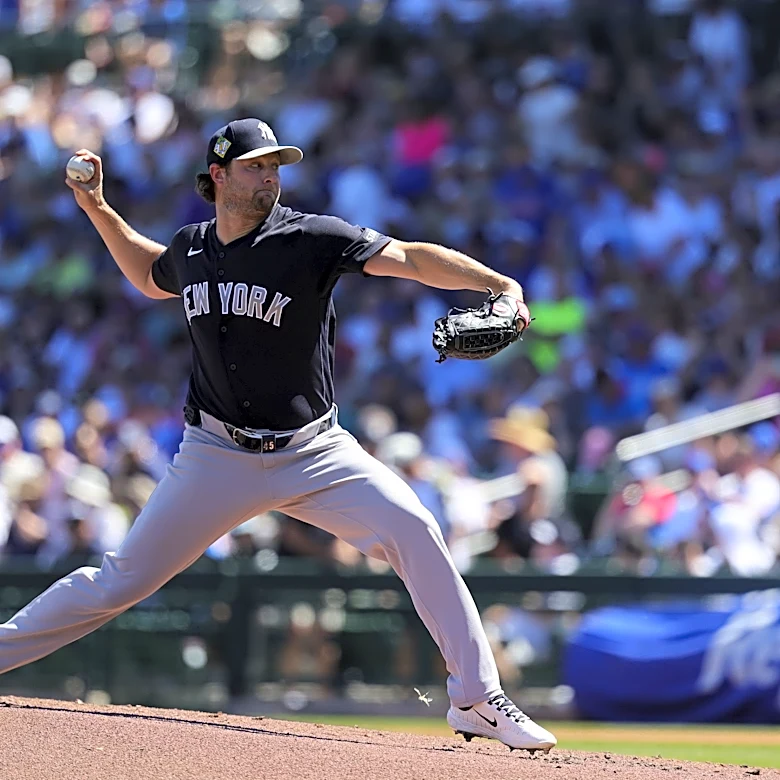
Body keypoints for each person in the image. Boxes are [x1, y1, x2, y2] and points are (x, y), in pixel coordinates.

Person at [0, 118, 555, 753]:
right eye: (255, 166)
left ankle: (477, 698)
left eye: (275, 166)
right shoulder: (192, 247)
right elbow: (149, 272)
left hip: (313, 451)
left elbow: (409, 256)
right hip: (214, 455)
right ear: (218, 175)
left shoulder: (311, 237)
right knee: (119, 581)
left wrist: (498, 286)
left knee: (416, 529)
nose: (270, 176)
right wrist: (97, 207)